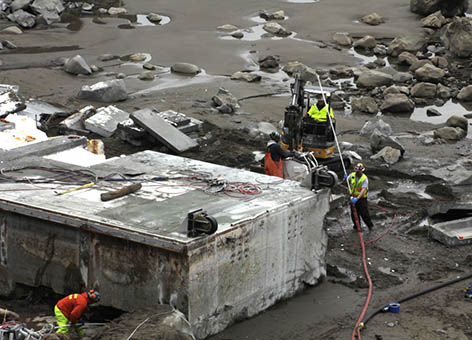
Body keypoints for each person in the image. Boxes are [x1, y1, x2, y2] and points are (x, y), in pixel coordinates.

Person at [345, 163, 374, 232]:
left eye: (359, 170)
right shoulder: (352, 175)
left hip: (361, 199)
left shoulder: (364, 179)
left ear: (362, 171)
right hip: (352, 197)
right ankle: (356, 227)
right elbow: (346, 182)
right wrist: (345, 178)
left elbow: (363, 190)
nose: (357, 172)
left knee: (364, 213)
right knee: (354, 214)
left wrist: (357, 198)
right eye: (356, 170)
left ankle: (370, 226)